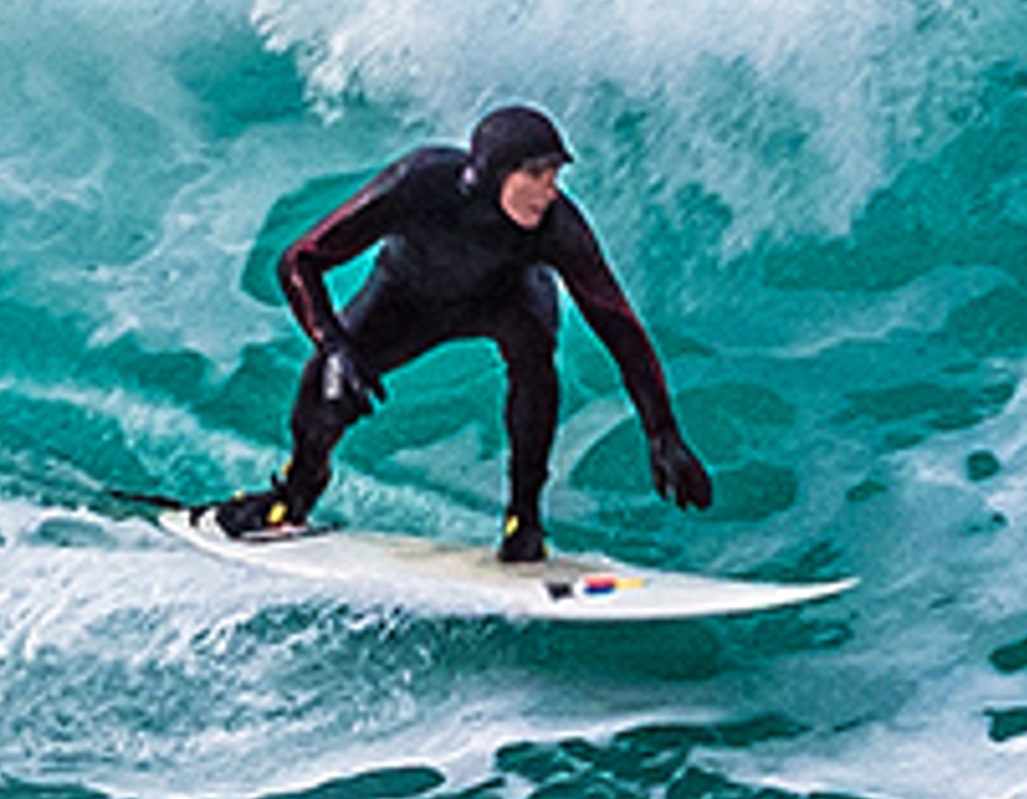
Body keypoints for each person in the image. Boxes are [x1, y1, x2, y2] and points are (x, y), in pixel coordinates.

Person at [211, 101, 716, 563]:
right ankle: (294, 496)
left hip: (506, 301)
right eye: (536, 174)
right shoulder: (419, 183)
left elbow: (619, 327)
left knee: (536, 357)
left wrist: (662, 432)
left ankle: (525, 518)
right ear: (495, 174)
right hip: (407, 296)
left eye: (555, 174)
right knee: (326, 381)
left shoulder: (558, 228)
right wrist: (334, 346)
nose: (551, 190)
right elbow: (300, 260)